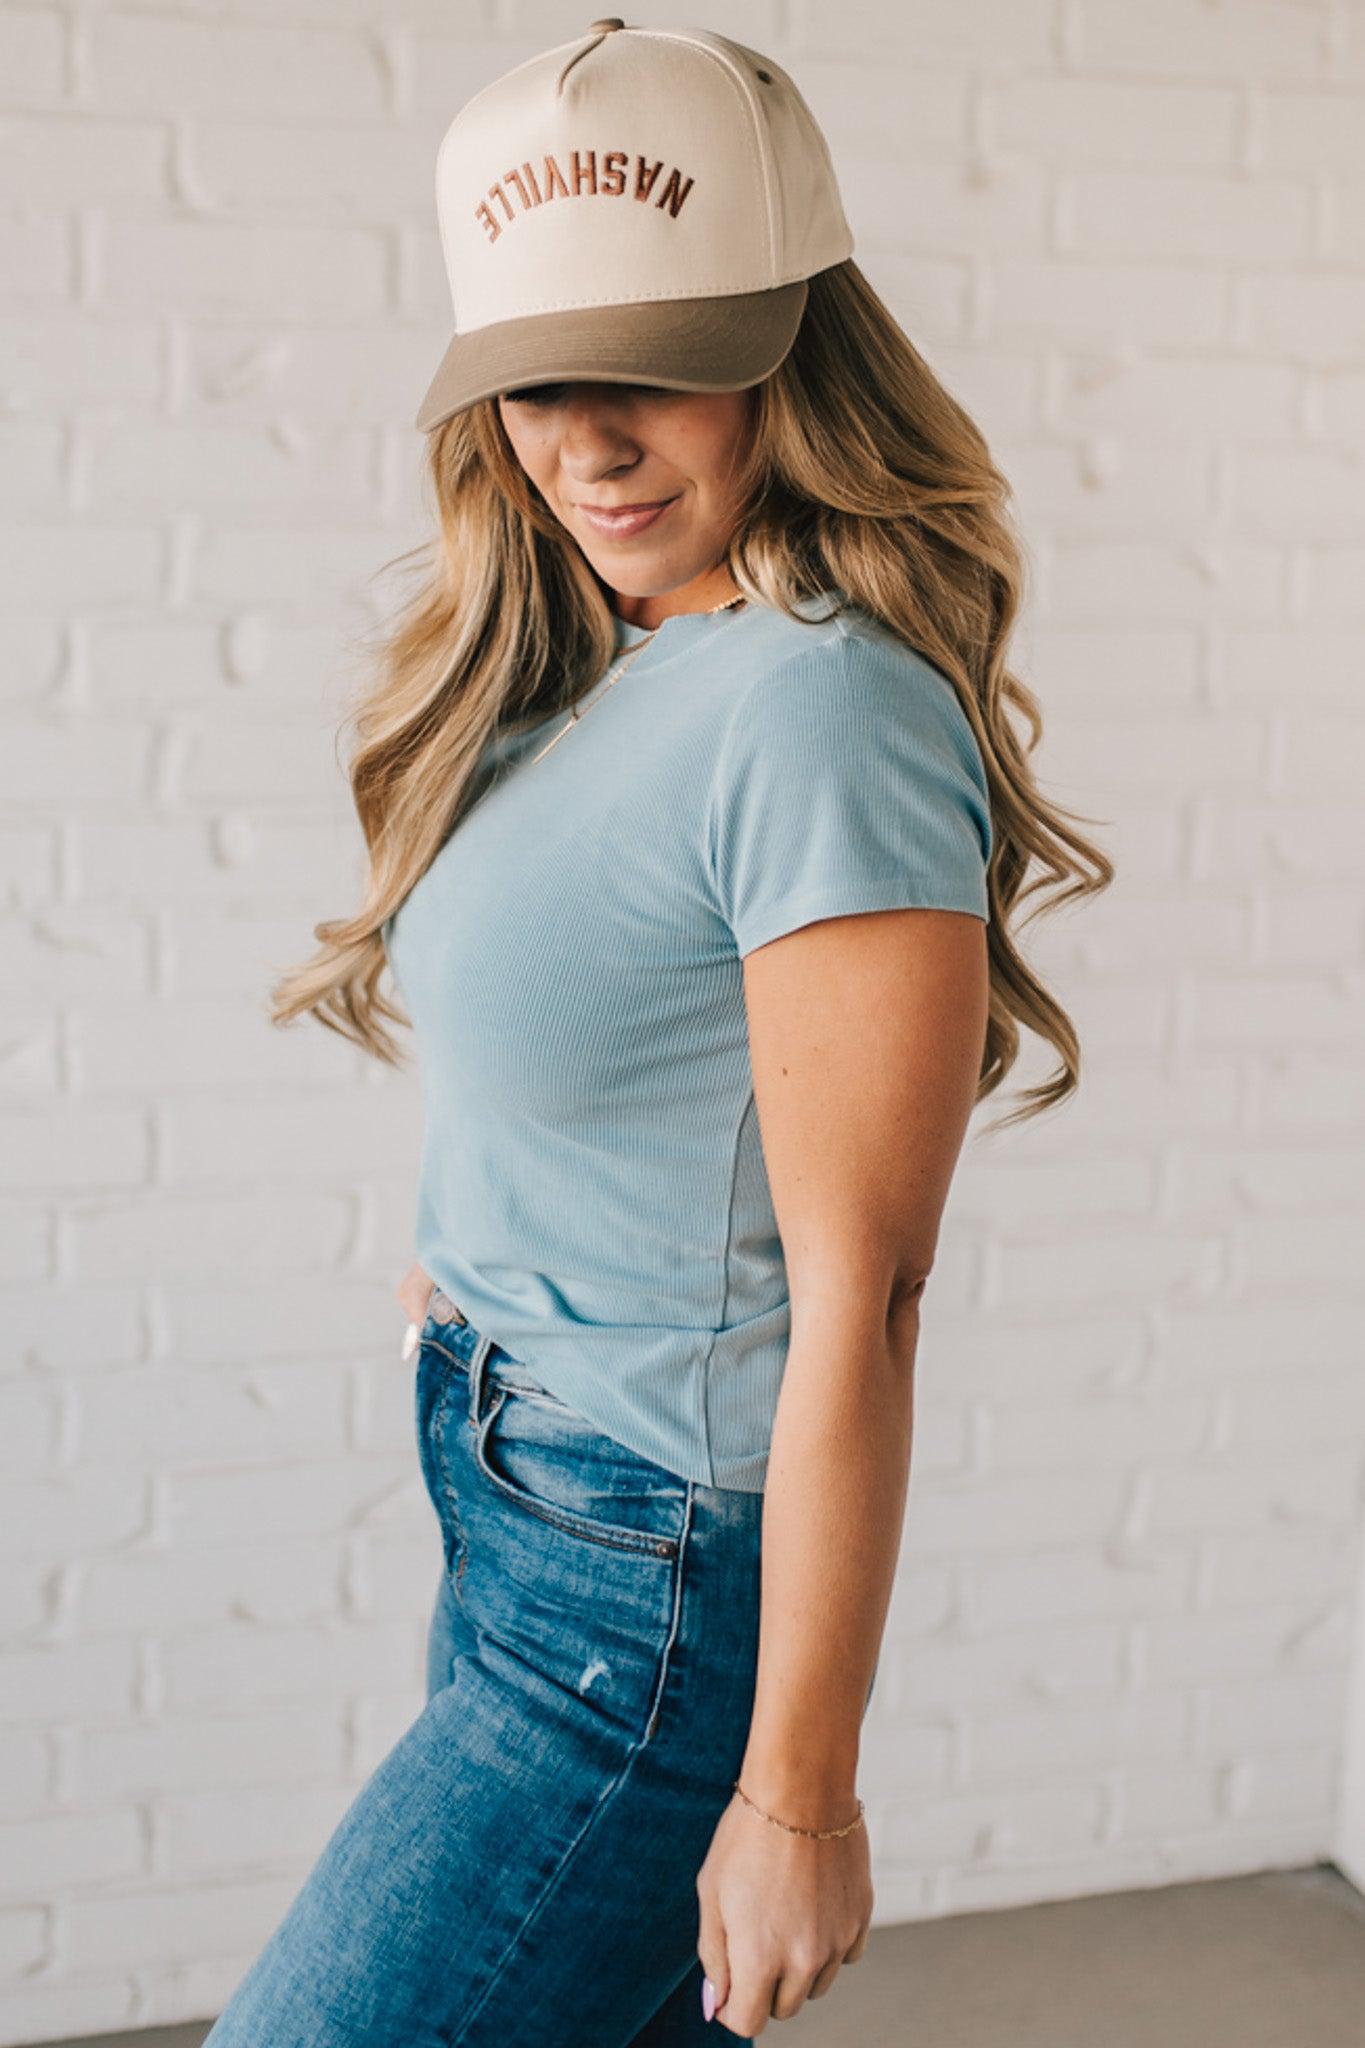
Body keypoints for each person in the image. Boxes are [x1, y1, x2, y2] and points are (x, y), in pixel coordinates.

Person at [206, 19, 1111, 2047]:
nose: (590, 438)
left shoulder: (820, 704)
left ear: (800, 341)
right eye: (538, 377)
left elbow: (860, 1290)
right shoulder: (611, 652)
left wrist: (799, 1789)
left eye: (662, 363)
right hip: (520, 1485)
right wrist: (489, 1259)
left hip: (641, 1584)